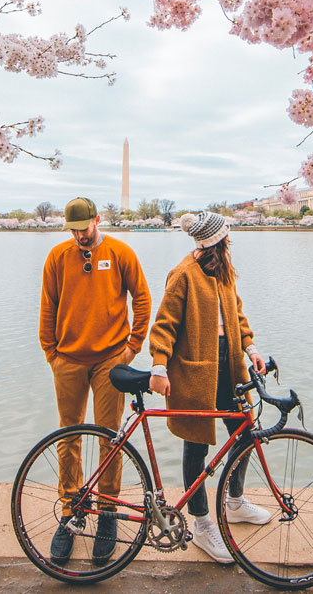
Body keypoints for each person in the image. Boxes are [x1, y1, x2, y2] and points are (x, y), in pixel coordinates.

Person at [147, 211, 273, 564]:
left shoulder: (224, 272)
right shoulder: (183, 273)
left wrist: (251, 349)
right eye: (226, 237)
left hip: (229, 364)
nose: (229, 241)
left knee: (245, 435)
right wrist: (159, 365)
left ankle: (234, 501)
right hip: (194, 370)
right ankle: (201, 522)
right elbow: (165, 325)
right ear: (216, 240)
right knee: (196, 444)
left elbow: (238, 314)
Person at [39, 196, 151, 566]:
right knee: (67, 436)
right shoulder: (57, 257)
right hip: (68, 360)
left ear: (97, 220)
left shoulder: (120, 252)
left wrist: (132, 348)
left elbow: (143, 300)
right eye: (72, 231)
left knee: (110, 436)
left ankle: (107, 514)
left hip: (109, 360)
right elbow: (48, 306)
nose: (79, 237)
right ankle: (72, 511)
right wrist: (51, 353)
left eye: (83, 229)